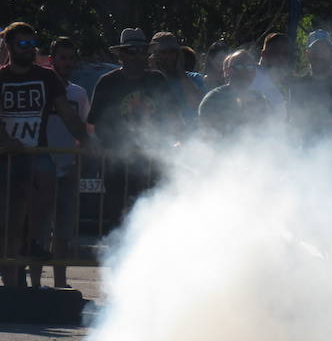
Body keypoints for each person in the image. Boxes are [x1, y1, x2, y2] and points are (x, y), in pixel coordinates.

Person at [0, 22, 88, 286]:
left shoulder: (46, 77)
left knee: (44, 196)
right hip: (7, 157)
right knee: (11, 223)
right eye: (22, 44)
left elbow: (68, 113)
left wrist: (86, 139)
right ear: (9, 46)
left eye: (32, 44)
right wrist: (6, 140)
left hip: (37, 152)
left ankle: (36, 244)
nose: (28, 49)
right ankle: (12, 284)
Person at [88, 28, 181, 230]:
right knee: (119, 219)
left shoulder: (157, 81)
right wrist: (107, 145)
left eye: (142, 50)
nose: (139, 55)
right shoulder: (108, 82)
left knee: (153, 216)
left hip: (152, 161)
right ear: (121, 54)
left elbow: (173, 118)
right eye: (132, 50)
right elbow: (95, 123)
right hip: (116, 164)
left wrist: (172, 142)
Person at [30, 37, 91, 288]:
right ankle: (33, 283)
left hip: (68, 167)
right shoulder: (41, 88)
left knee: (64, 231)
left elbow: (85, 127)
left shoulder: (79, 93)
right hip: (41, 167)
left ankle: (60, 282)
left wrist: (82, 157)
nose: (66, 63)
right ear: (51, 60)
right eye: (61, 58)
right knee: (38, 230)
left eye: (70, 58)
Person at [198, 50, 270, 136]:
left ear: (254, 73)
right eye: (239, 66)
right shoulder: (213, 100)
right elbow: (210, 137)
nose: (244, 72)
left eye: (250, 67)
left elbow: (266, 133)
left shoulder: (260, 100)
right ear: (227, 71)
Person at [149, 31, 205, 122]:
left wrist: (181, 73)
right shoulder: (147, 81)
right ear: (154, 56)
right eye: (163, 52)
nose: (169, 56)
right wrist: (156, 73)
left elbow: (199, 105)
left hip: (192, 134)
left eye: (172, 52)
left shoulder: (195, 78)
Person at [250, 32, 291, 121]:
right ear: (264, 54)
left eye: (286, 54)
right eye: (277, 52)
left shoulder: (280, 88)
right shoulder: (249, 75)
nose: (281, 58)